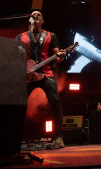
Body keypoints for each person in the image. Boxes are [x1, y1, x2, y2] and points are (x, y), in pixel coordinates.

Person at [15, 9, 66, 148]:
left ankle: (59, 137)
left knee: (55, 101)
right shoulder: (20, 37)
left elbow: (58, 56)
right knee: (17, 106)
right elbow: (15, 58)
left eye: (39, 15)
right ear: (29, 20)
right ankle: (14, 137)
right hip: (27, 76)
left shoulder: (51, 36)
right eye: (34, 15)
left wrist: (61, 55)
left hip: (46, 74)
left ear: (42, 21)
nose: (36, 16)